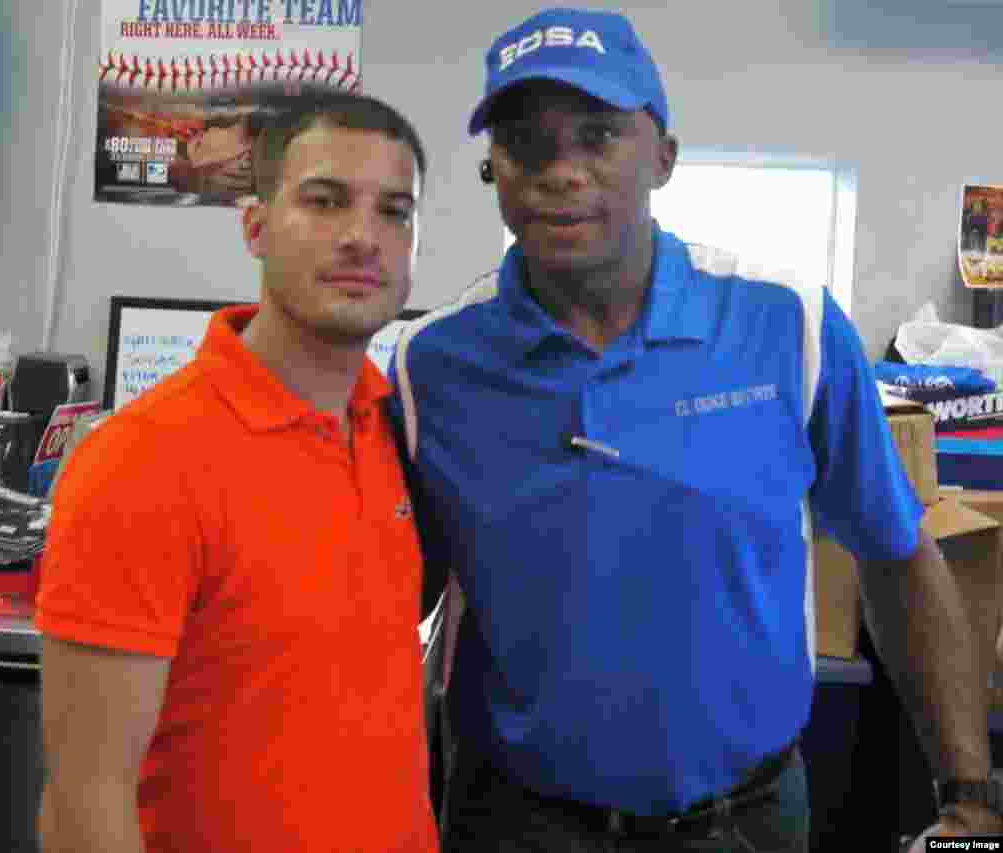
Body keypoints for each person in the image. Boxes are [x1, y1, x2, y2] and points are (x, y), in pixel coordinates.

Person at [388, 7, 1003, 852]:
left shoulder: (788, 325)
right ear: (494, 168)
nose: (560, 171)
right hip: (515, 821)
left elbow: (896, 550)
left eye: (598, 135)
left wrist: (967, 793)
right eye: (527, 143)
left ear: (663, 158)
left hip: (743, 821)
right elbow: (387, 604)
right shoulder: (433, 365)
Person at [36, 89, 439, 853]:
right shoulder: (143, 459)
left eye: (395, 211)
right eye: (325, 201)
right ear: (256, 226)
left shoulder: (393, 431)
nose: (363, 236)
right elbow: (86, 803)